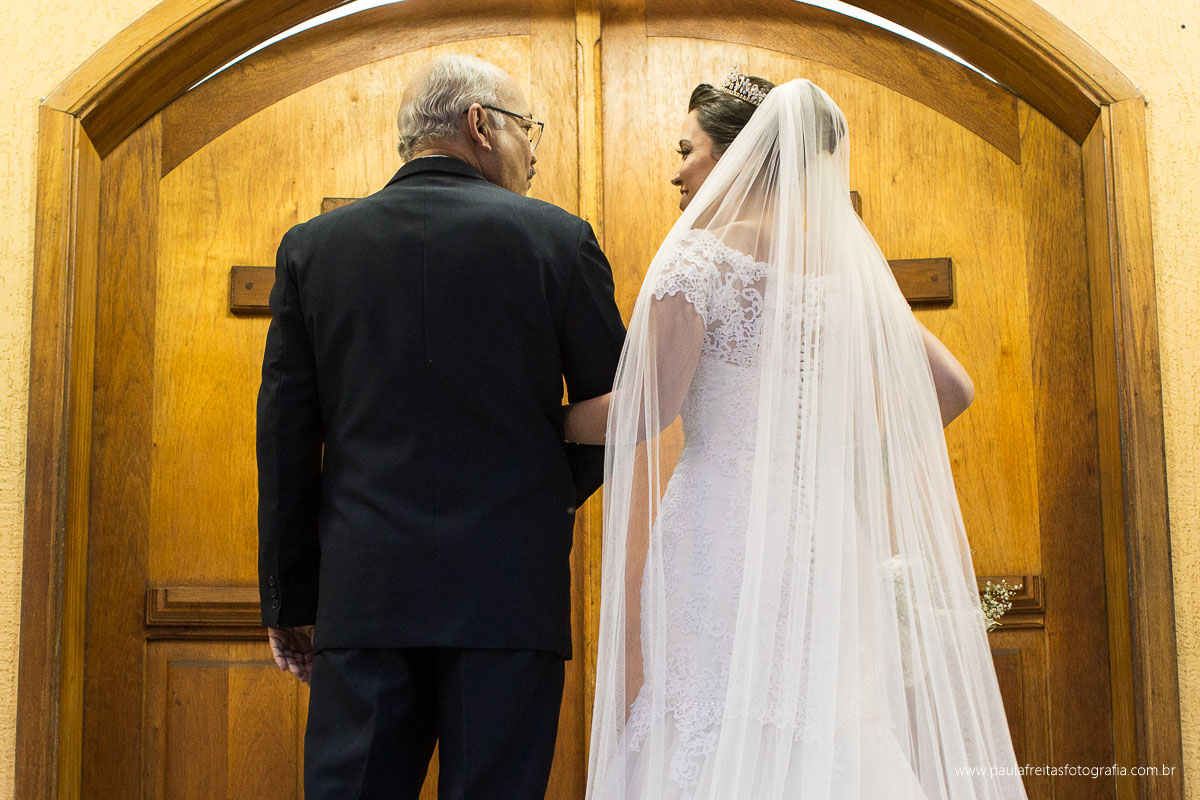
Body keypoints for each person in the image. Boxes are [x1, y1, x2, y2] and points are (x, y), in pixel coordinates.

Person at [568, 68, 1028, 799]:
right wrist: (843, 466)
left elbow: (646, 409)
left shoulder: (699, 259)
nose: (675, 171)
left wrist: (542, 421)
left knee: (710, 712)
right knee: (823, 718)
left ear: (734, 155)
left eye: (686, 149)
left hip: (718, 529)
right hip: (821, 532)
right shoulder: (841, 267)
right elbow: (953, 388)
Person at [257, 54, 626, 800]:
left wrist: (291, 601)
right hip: (507, 598)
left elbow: (287, 438)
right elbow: (624, 407)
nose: (535, 150)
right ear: (481, 126)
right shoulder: (559, 240)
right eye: (530, 130)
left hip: (364, 599)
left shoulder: (314, 249)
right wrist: (539, 492)